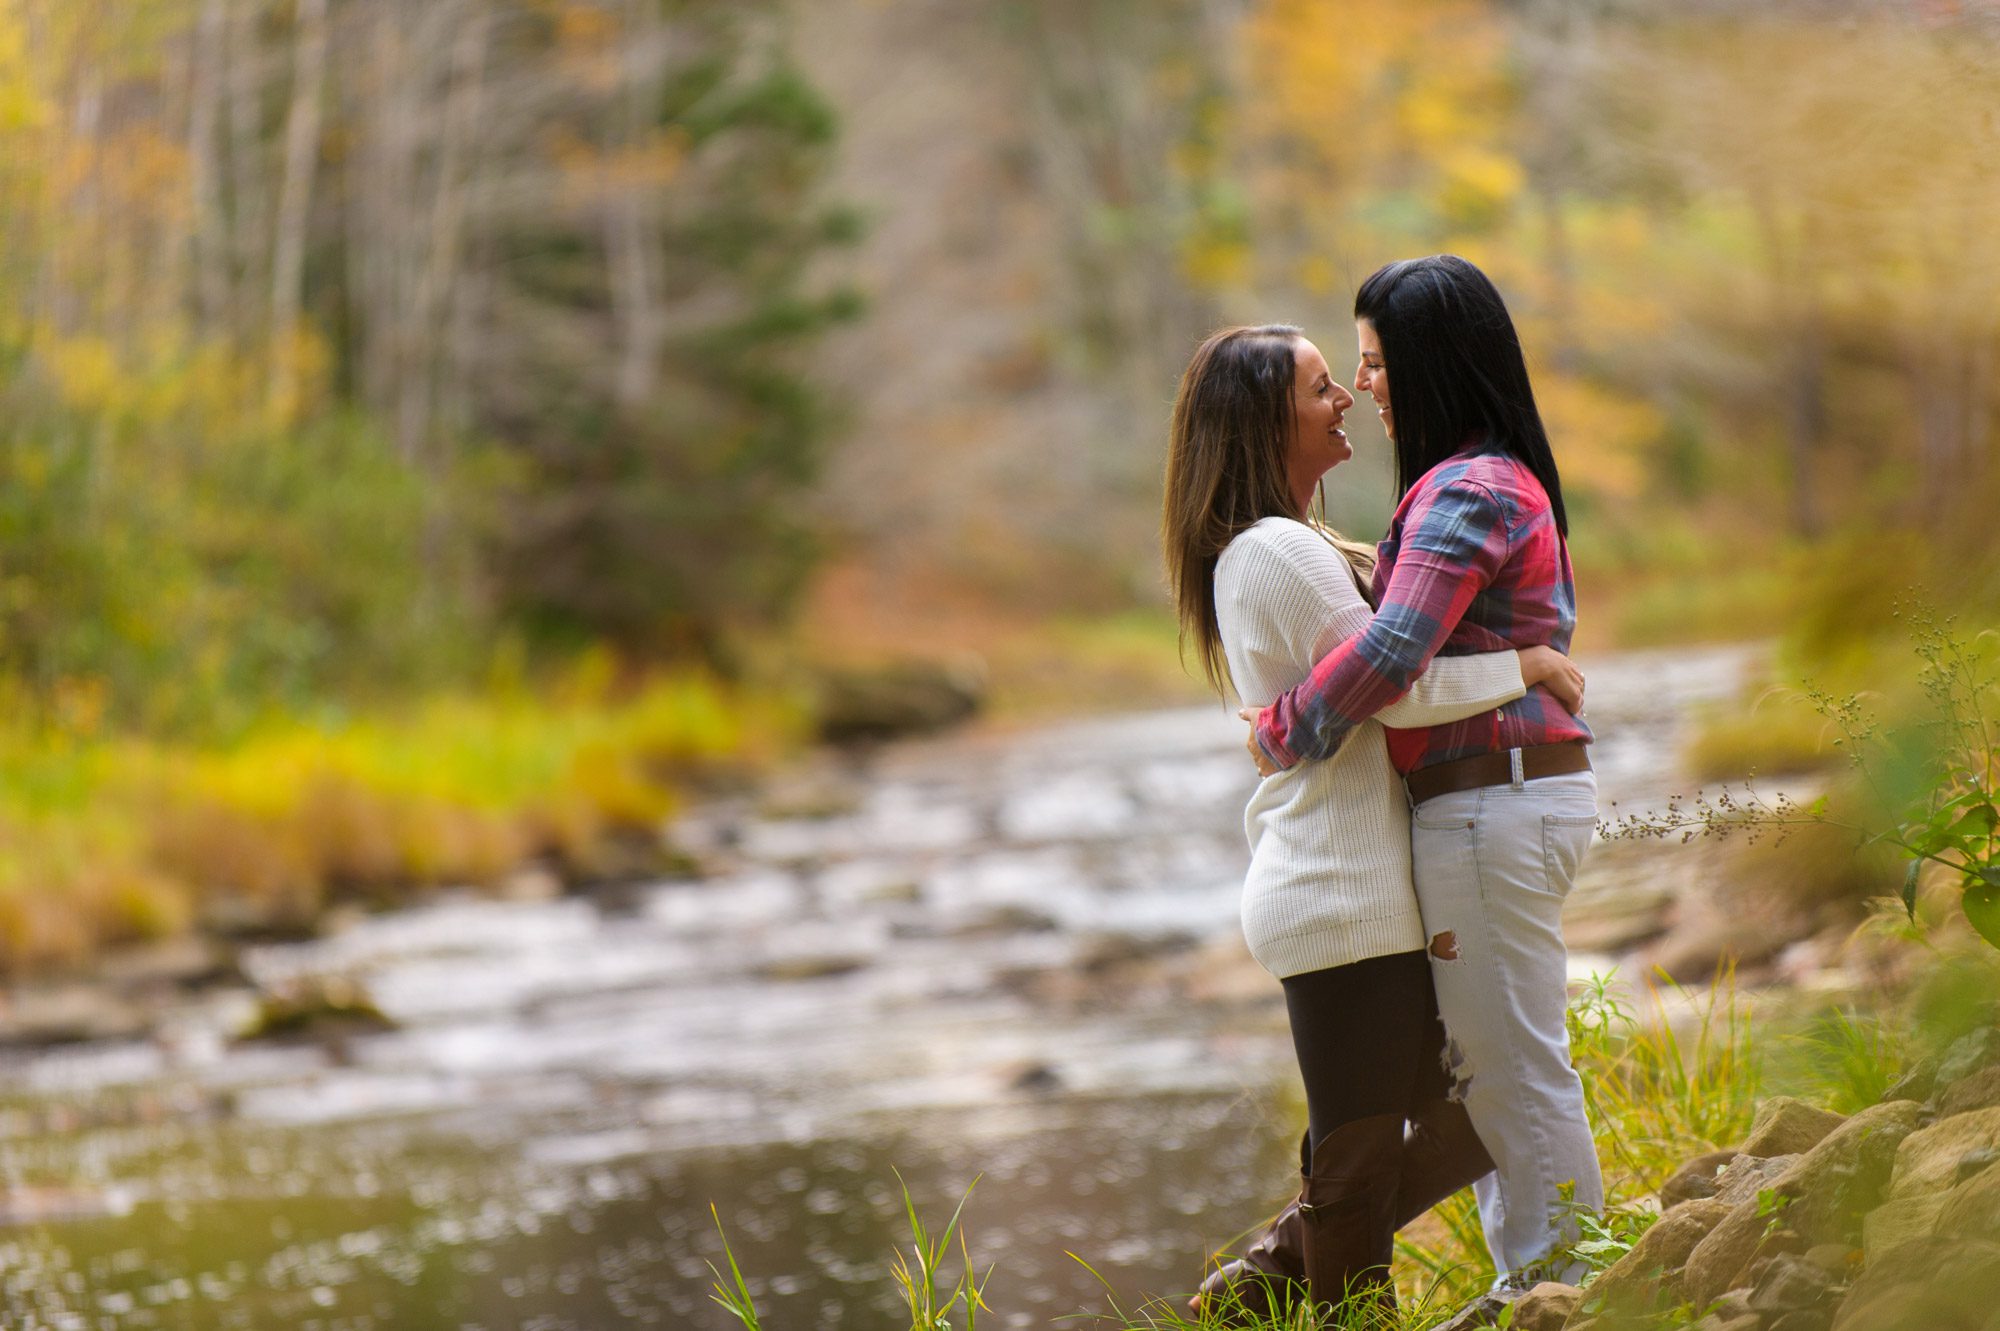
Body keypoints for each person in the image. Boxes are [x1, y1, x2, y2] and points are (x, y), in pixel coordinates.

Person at [1161, 323, 1586, 1321]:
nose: (1344, 396)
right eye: (1319, 386)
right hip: (1334, 886)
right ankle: (1312, 1297)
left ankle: (1263, 1279)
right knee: (1365, 1150)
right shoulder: (1274, 551)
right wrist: (1523, 665)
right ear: (1263, 421)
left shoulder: (1293, 544)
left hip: (1358, 884)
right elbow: (1395, 688)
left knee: (1464, 1113)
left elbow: (1377, 678)